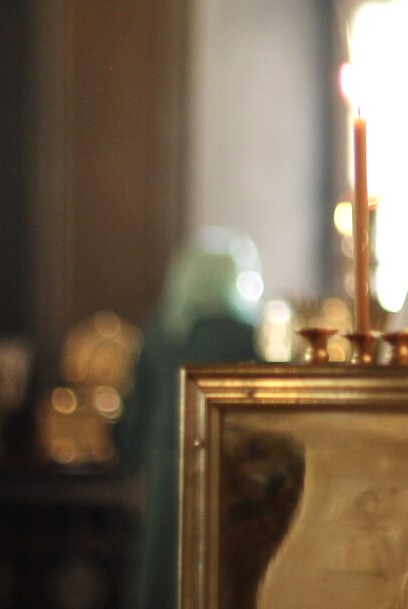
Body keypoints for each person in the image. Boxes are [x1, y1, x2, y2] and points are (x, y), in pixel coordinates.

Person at [119, 228, 263, 609]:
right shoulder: (245, 335)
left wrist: (133, 467)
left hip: (163, 465)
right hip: (225, 465)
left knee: (161, 572)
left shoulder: (159, 331)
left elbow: (136, 411)